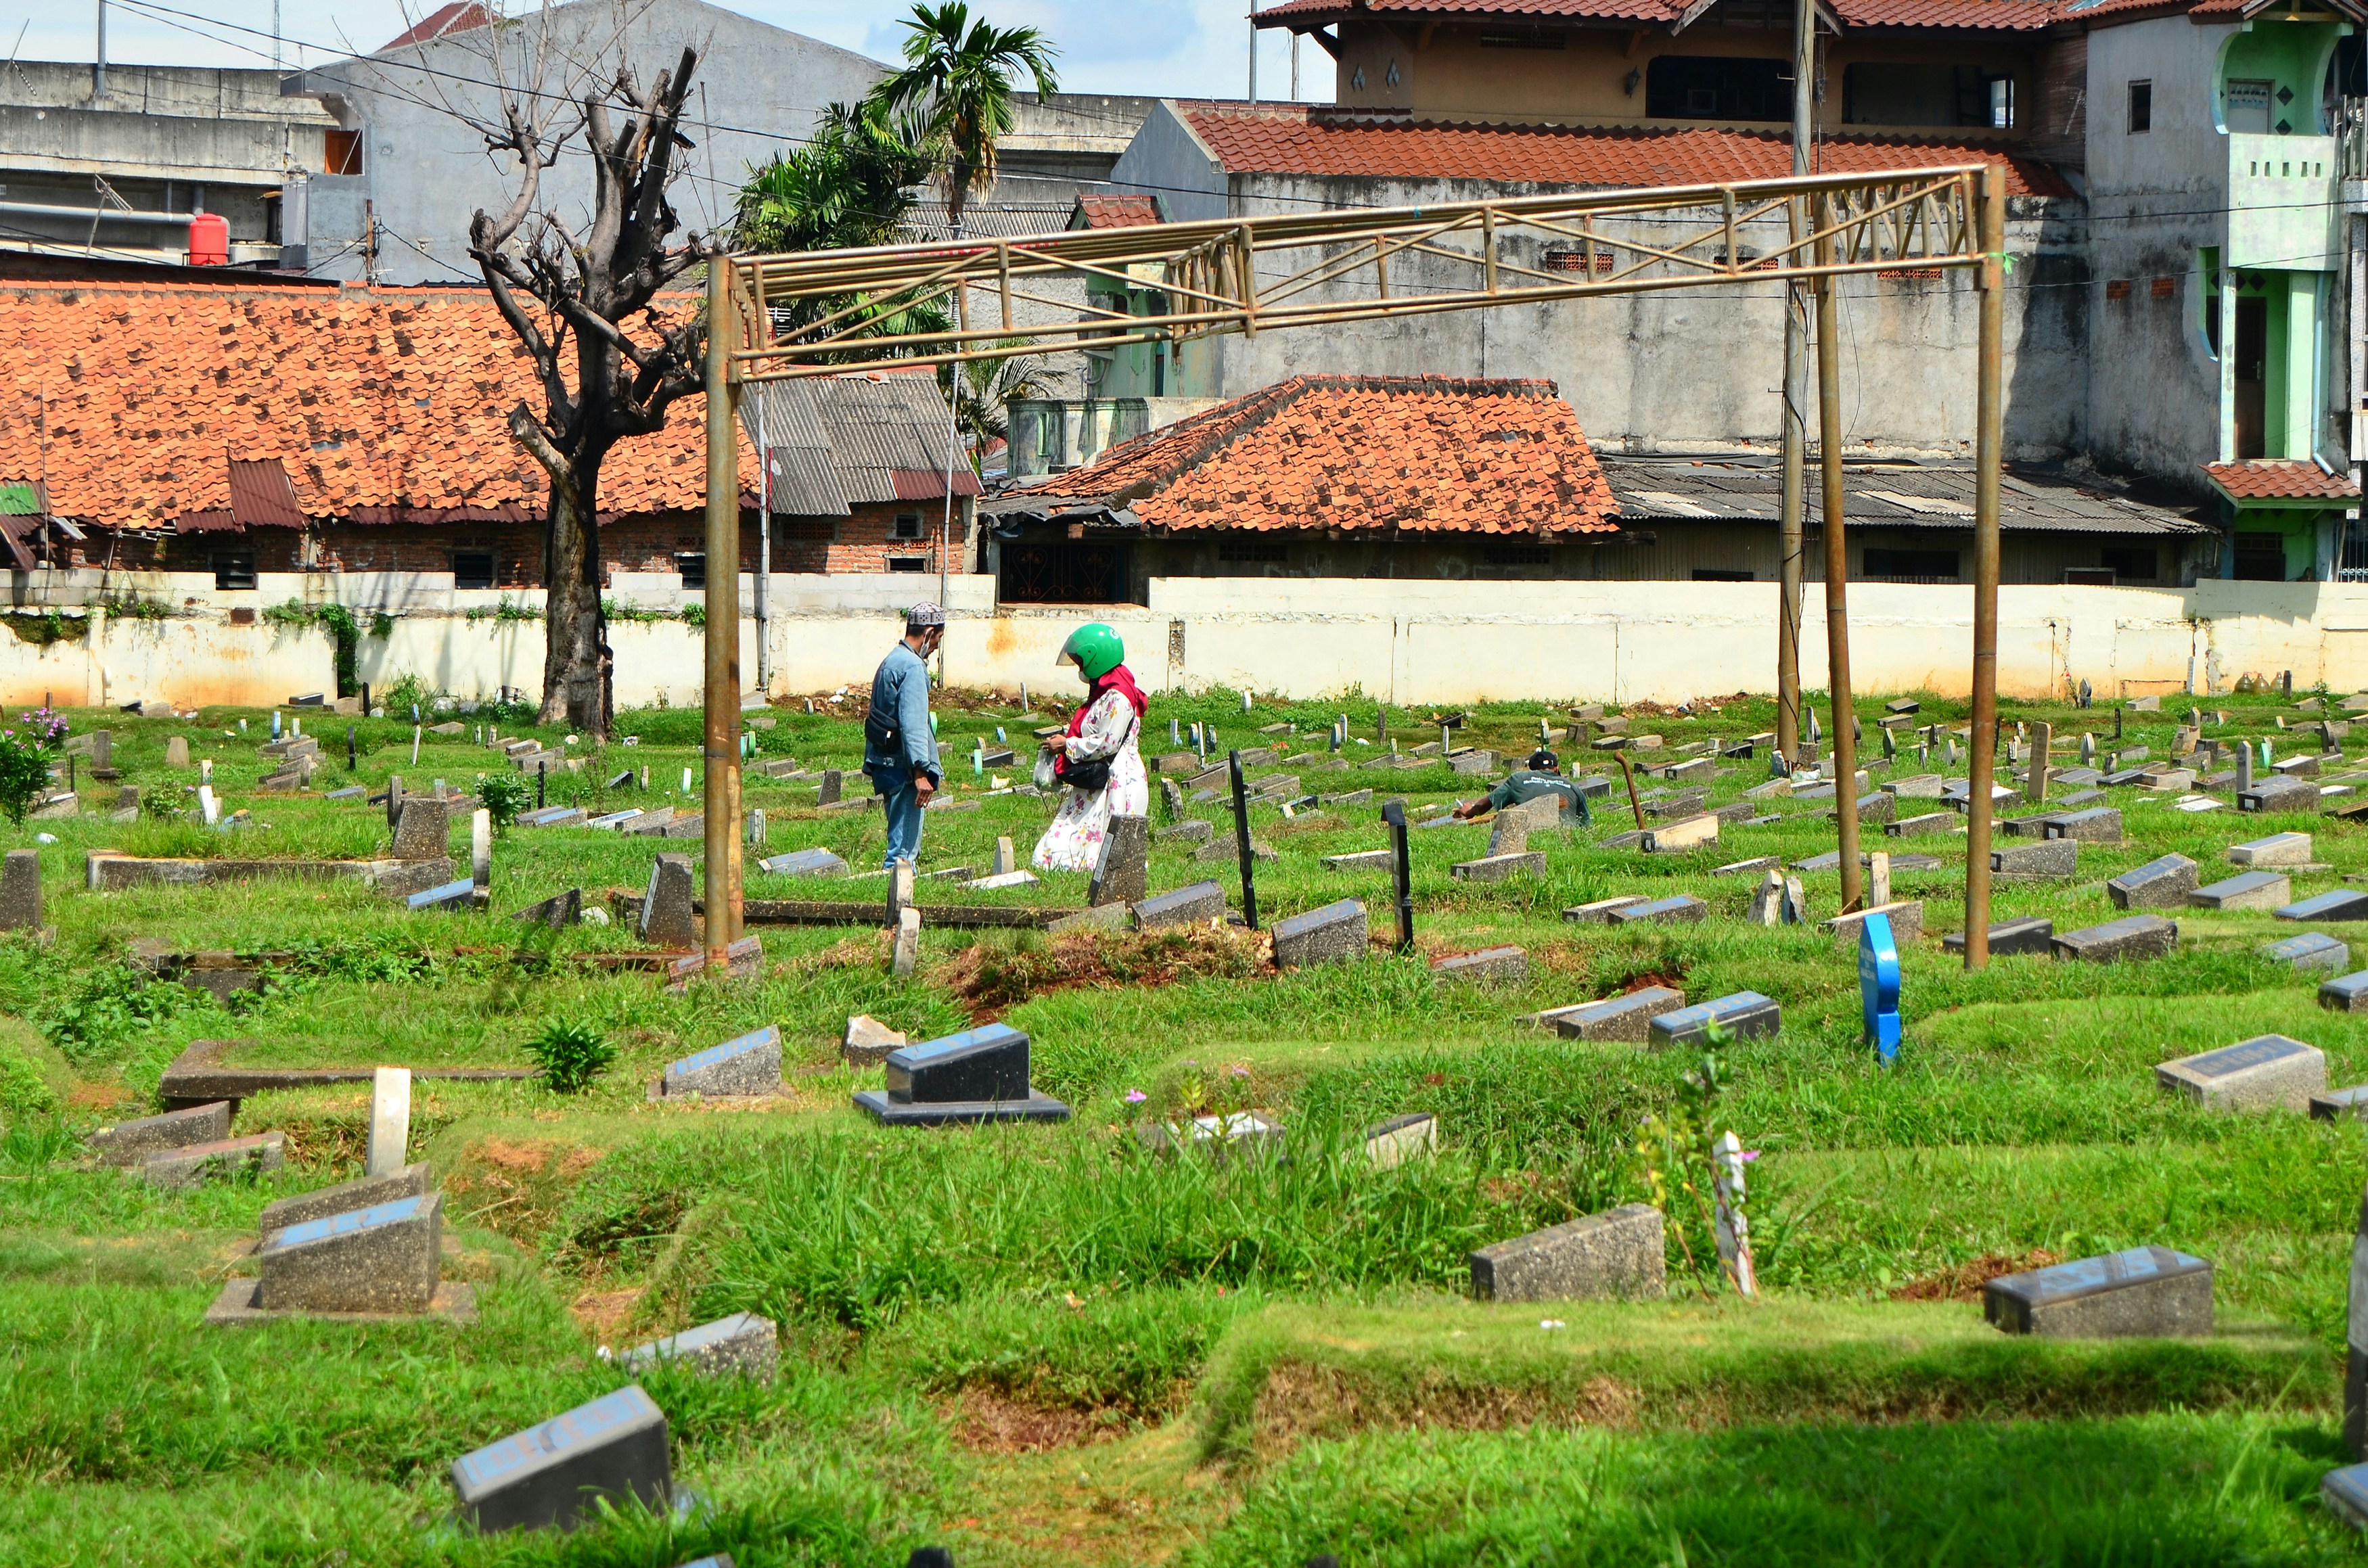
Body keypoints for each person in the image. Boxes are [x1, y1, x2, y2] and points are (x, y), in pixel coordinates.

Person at [1032, 622, 1149, 873]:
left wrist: (1067, 744)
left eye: (1080, 661)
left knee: (1107, 839)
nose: (1079, 668)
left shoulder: (1118, 697)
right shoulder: (1106, 690)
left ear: (1096, 659)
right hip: (1106, 775)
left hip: (1117, 777)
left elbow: (1107, 743)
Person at [863, 603, 945, 868]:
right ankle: (898, 902)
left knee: (897, 836)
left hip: (886, 763)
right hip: (905, 768)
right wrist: (920, 772)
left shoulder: (892, 660)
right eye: (937, 640)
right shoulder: (912, 667)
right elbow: (913, 724)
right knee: (902, 853)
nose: (935, 648)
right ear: (929, 633)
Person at [1453, 747, 1591, 827]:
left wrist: (1469, 811)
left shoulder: (1519, 779)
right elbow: (1585, 824)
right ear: (1556, 768)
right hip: (1566, 836)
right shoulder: (1573, 787)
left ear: (1532, 770)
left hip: (1531, 830)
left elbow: (1486, 804)